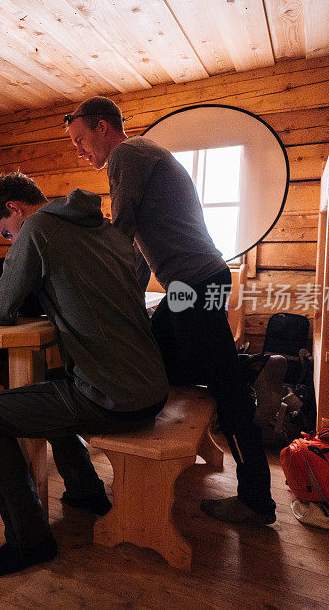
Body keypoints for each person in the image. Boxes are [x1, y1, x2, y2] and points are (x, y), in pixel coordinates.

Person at [64, 96, 276, 525]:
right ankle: (242, 367)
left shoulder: (128, 153)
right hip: (197, 280)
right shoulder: (145, 155)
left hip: (194, 283)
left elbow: (121, 231)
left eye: (81, 139)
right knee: (154, 356)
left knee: (223, 388)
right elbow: (140, 250)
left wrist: (90, 284)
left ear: (104, 127)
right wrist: (126, 297)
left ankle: (256, 499)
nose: (79, 150)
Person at [0, 173, 168, 577]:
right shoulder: (101, 228)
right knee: (47, 392)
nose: (11, 243)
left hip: (114, 398)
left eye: (7, 235)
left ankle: (30, 540)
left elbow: (1, 308)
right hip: (151, 387)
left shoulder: (38, 228)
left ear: (14, 209)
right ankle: (86, 491)